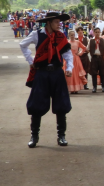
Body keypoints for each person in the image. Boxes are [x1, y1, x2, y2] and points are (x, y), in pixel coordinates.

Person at [20, 11, 74, 148]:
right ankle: (34, 136)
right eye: (56, 22)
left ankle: (61, 136)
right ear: (49, 22)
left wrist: (69, 68)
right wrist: (30, 60)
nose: (59, 24)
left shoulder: (61, 36)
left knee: (61, 105)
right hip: (42, 73)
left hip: (57, 73)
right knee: (36, 105)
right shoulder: (36, 34)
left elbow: (68, 53)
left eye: (59, 22)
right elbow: (23, 44)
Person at [88, 28, 104, 93]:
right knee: (94, 73)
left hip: (101, 57)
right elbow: (87, 48)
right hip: (94, 57)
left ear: (100, 33)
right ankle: (94, 87)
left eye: (98, 32)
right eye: (96, 32)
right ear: (94, 33)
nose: (97, 33)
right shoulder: (91, 40)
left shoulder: (102, 40)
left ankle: (103, 87)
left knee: (102, 73)